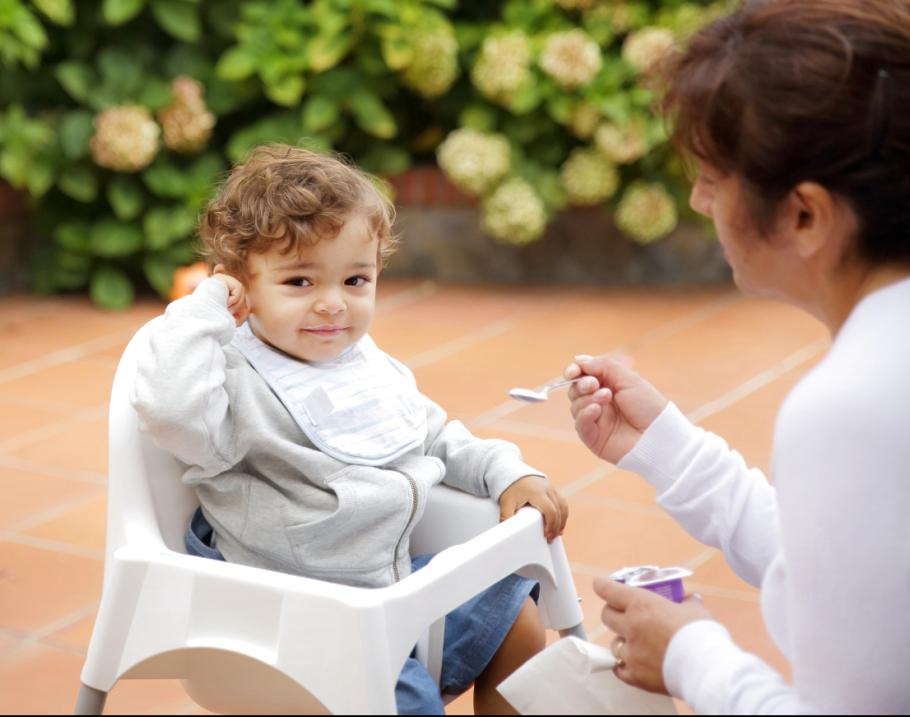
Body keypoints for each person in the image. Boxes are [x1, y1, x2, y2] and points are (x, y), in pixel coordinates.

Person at [131, 144, 568, 715]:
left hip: (391, 589)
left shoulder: (362, 363)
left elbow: (430, 433)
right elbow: (167, 410)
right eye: (299, 283)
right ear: (241, 285)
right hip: (298, 625)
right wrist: (207, 306)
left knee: (514, 613)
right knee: (401, 703)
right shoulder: (229, 382)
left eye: (356, 280)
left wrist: (504, 472)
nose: (333, 305)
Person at [564, 0, 910, 713]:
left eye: (713, 182)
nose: (696, 201)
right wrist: (669, 449)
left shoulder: (853, 403)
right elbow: (853, 563)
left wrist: (691, 653)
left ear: (804, 214)